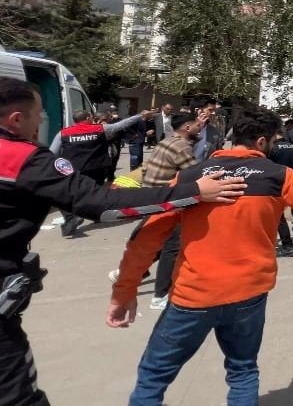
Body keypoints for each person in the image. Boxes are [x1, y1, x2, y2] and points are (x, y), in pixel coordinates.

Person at [108, 107, 293, 404]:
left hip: (194, 294)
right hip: (248, 294)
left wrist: (125, 291)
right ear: (262, 142)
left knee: (153, 376)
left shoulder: (192, 177)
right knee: (242, 371)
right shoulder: (277, 176)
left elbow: (146, 237)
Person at [0, 77, 245, 405]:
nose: (39, 123)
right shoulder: (21, 158)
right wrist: (194, 192)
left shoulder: (169, 140)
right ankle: (158, 291)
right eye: (38, 115)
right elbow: (101, 206)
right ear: (16, 119)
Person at [126, 110, 207, 310]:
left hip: (151, 195)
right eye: (198, 125)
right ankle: (160, 295)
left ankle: (132, 272)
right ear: (187, 128)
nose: (200, 128)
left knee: (153, 238)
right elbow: (194, 174)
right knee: (172, 247)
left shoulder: (169, 141)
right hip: (167, 201)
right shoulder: (181, 147)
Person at [50, 108, 155, 237]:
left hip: (75, 170)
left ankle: (71, 217)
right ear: (88, 118)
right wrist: (139, 115)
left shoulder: (63, 133)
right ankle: (96, 215)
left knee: (64, 194)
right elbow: (121, 125)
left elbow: (52, 153)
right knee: (96, 194)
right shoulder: (100, 129)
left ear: (74, 120)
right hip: (98, 168)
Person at [268, 131, 293, 258]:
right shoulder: (292, 146)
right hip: (289, 179)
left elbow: (268, 165)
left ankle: (287, 246)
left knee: (278, 217)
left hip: (275, 182)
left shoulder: (273, 148)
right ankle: (289, 241)